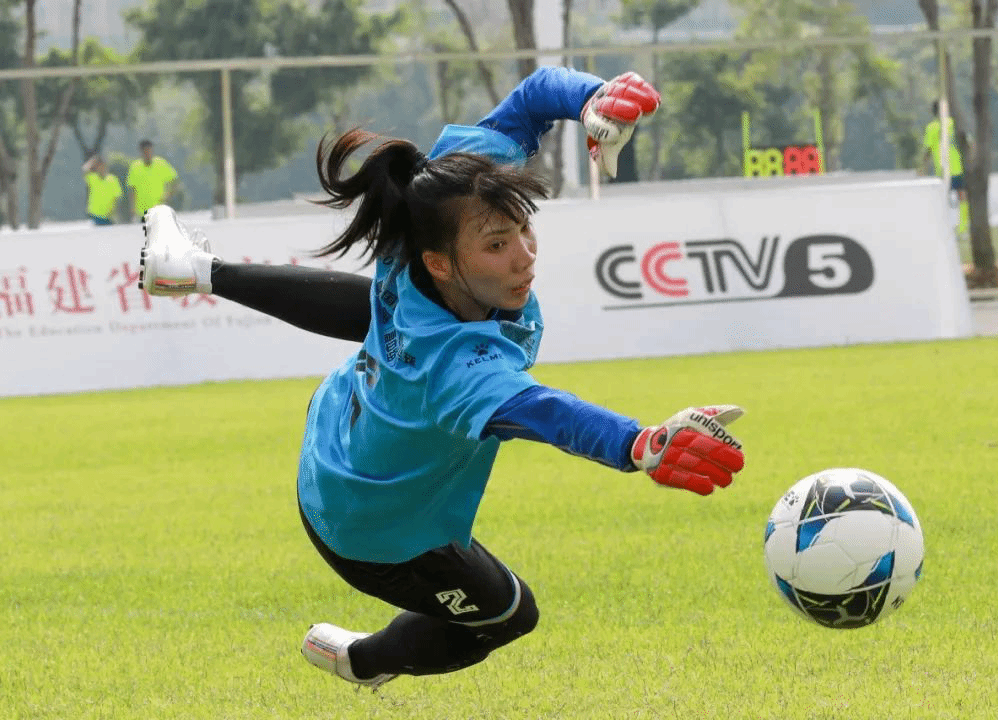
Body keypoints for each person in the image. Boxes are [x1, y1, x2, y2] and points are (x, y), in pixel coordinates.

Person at [137, 67, 745, 690]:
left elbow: (533, 96)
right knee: (509, 616)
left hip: (336, 430)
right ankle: (360, 661)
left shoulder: (438, 200)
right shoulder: (455, 366)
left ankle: (195, 270)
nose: (525, 256)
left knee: (382, 308)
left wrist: (590, 97)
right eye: (497, 246)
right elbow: (543, 412)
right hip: (366, 525)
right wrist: (640, 444)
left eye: (524, 229)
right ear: (442, 263)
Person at [922, 100, 968, 235]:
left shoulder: (931, 128)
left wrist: (923, 167)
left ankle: (945, 227)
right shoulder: (954, 124)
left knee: (942, 199)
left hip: (942, 170)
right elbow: (967, 143)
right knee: (962, 196)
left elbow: (927, 151)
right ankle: (963, 227)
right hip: (958, 167)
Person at [126, 139, 178, 221]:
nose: (148, 153)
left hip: (159, 211)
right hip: (142, 212)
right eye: (145, 151)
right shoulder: (135, 167)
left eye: (149, 150)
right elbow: (132, 189)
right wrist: (132, 209)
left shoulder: (161, 164)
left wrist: (168, 195)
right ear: (141, 152)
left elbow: (174, 181)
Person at [81, 154, 123, 226]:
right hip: (95, 215)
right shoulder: (93, 178)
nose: (101, 168)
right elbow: (84, 170)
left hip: (108, 216)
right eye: (99, 166)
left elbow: (118, 197)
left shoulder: (112, 179)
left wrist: (115, 212)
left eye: (103, 166)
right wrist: (93, 160)